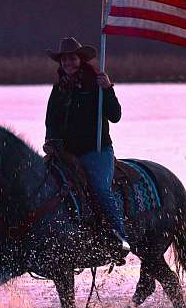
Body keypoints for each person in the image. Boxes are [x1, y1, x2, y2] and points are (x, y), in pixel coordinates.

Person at [43, 36, 130, 257]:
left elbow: (116, 116)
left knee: (100, 188)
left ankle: (119, 238)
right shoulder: (58, 89)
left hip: (96, 151)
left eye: (72, 58)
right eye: (64, 60)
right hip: (66, 154)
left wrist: (108, 89)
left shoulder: (96, 84)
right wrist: (51, 142)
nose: (68, 63)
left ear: (80, 59)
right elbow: (51, 121)